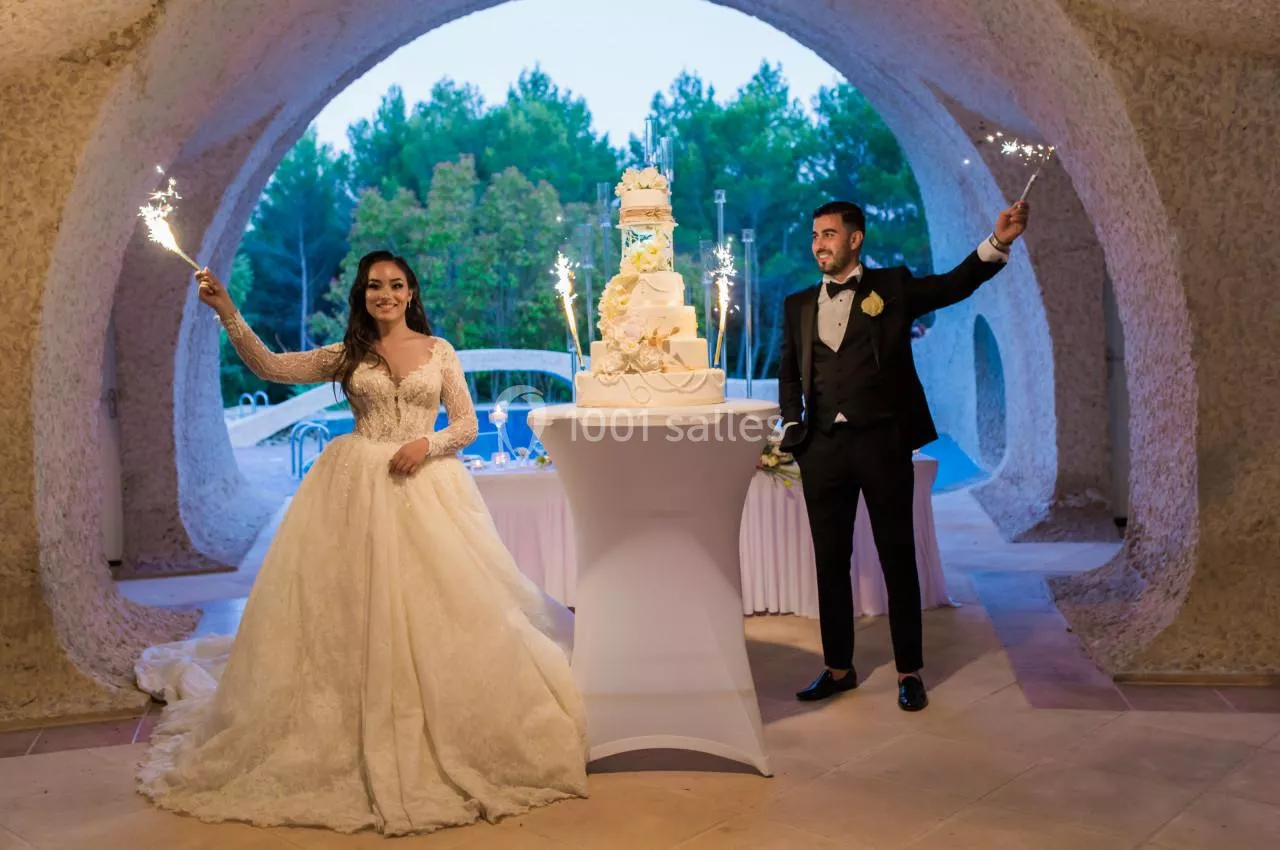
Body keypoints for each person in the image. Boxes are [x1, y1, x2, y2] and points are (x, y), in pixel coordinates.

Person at [135, 251, 588, 835]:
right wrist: (227, 311)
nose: (385, 294)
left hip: (426, 488)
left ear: (410, 292)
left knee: (441, 608)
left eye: (395, 285)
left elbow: (467, 425)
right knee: (349, 610)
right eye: (375, 286)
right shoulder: (347, 353)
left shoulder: (439, 351)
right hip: (353, 488)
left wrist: (426, 445)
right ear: (363, 294)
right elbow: (271, 367)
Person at [778, 200, 1029, 711]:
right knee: (829, 563)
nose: (819, 244)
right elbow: (789, 371)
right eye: (815, 235)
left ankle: (909, 671)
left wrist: (997, 242)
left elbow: (951, 286)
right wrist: (793, 424)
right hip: (822, 449)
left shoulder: (890, 288)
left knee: (897, 558)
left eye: (829, 234)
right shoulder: (797, 304)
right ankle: (838, 667)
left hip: (882, 443)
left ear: (855, 239)